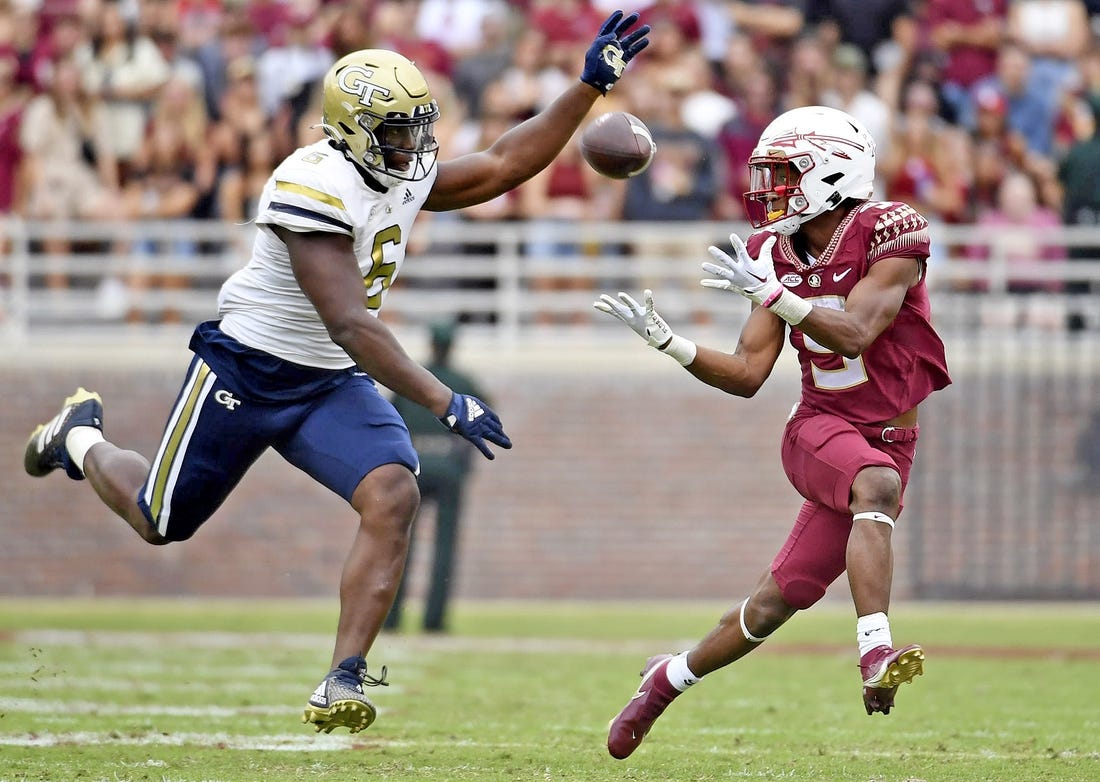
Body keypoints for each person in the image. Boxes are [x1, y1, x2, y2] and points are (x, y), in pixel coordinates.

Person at [23, 10, 650, 736]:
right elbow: (350, 322)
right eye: (399, 129)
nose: (416, 144)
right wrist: (447, 401)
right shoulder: (311, 182)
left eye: (421, 125)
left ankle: (342, 677)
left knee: (392, 494)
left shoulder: (395, 167)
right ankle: (79, 437)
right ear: (352, 129)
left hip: (326, 380)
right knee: (161, 522)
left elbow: (504, 165)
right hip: (250, 370)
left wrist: (585, 89)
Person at [595, 105, 951, 759]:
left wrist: (779, 295)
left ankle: (663, 682)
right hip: (820, 430)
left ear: (835, 172)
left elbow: (857, 330)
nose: (769, 189)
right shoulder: (769, 253)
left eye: (786, 174)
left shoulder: (890, 231)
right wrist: (671, 343)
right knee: (873, 486)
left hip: (892, 441)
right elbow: (749, 372)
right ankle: (875, 650)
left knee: (773, 604)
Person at [383, 321, 486, 632]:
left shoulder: (411, 379)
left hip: (412, 466)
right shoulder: (464, 381)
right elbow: (483, 424)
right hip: (449, 467)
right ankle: (434, 619)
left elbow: (389, 421)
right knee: (445, 545)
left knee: (398, 543)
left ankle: (390, 618)